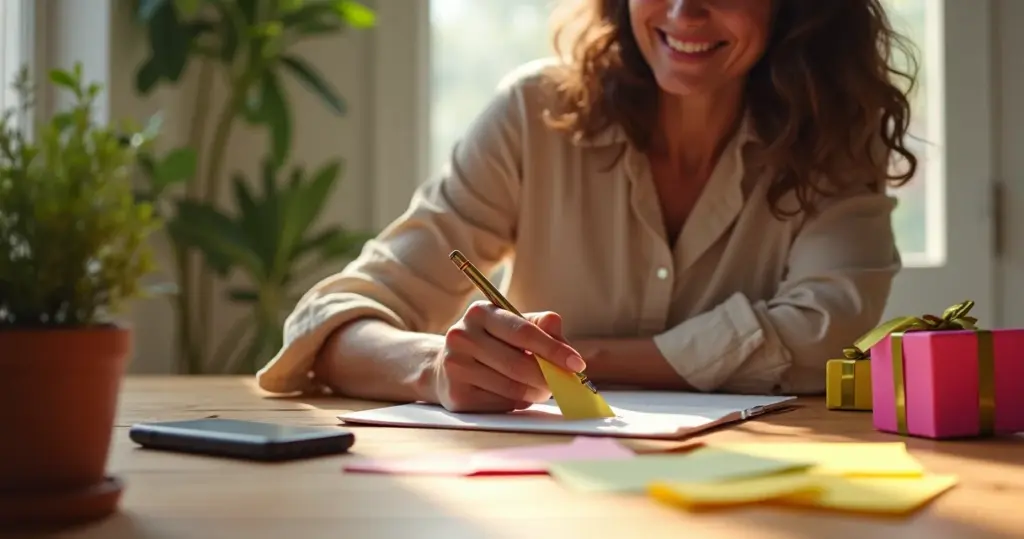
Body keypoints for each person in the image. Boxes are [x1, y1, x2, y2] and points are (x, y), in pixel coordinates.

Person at [256, 0, 918, 413]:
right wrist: (434, 367)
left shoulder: (833, 137)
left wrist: (571, 359)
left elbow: (819, 336)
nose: (685, 11)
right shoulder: (532, 114)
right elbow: (329, 320)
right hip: (542, 492)